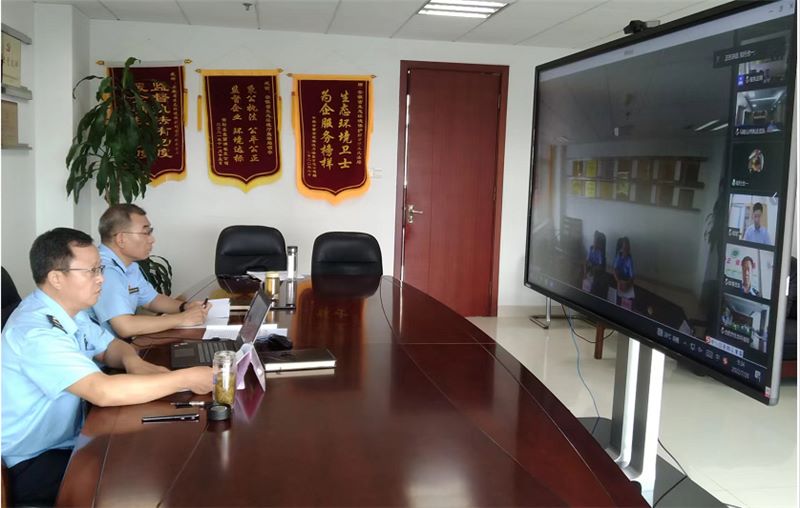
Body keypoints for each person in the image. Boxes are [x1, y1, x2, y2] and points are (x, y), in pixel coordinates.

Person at [1, 228, 212, 506]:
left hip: (70, 438)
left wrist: (132, 362)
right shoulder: (36, 331)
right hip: (31, 462)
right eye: (91, 271)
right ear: (56, 278)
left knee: (153, 449)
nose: (101, 278)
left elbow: (110, 347)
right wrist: (187, 378)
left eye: (100, 269)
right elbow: (101, 391)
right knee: (143, 478)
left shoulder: (69, 312)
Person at [92, 204, 209, 338]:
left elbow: (152, 300)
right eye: (146, 233)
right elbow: (125, 326)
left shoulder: (129, 266)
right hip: (99, 350)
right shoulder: (105, 270)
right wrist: (182, 319)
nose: (152, 240)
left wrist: (185, 307)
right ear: (121, 239)